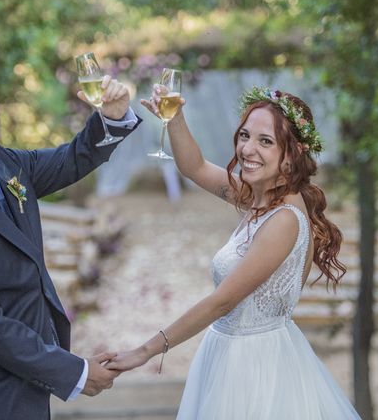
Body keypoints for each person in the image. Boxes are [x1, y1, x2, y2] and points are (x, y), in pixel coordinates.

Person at [107, 85, 361, 419]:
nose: (247, 149)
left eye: (265, 141)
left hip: (255, 368)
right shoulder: (260, 198)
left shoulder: (284, 219)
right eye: (244, 136)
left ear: (292, 154)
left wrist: (145, 351)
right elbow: (195, 167)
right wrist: (176, 118)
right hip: (228, 354)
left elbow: (223, 301)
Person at [0, 59, 140, 420]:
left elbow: (70, 160)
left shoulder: (4, 164)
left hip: (29, 385)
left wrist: (110, 118)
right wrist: (76, 373)